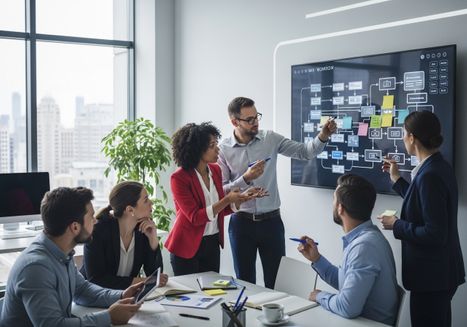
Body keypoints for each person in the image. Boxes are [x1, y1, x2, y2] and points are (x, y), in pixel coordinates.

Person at [218, 96, 337, 288]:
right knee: (244, 282)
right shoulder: (223, 150)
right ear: (234, 122)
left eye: (256, 117)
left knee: (276, 283)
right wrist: (245, 178)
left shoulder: (270, 139)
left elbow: (304, 152)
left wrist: (322, 135)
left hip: (271, 223)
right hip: (241, 224)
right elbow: (221, 191)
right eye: (249, 120)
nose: (255, 122)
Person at [1, 187, 143, 327]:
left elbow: (82, 290)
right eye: (91, 217)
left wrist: (121, 295)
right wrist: (109, 317)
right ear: (75, 227)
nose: (95, 221)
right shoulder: (36, 268)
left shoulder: (61, 252)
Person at [379, 111, 465, 327]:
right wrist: (397, 179)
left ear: (412, 138)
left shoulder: (430, 175)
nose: (402, 138)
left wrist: (396, 225)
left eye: (404, 134)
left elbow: (434, 233)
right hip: (441, 273)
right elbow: (422, 202)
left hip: (431, 277)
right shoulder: (436, 166)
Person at [298, 174, 398, 325]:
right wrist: (316, 259)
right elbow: (348, 285)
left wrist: (319, 296)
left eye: (334, 199)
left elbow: (347, 307)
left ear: (340, 208)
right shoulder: (366, 237)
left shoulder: (364, 247)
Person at [165, 122, 263, 276]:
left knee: (211, 294)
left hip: (212, 244)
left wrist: (239, 200)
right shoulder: (179, 178)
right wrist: (227, 199)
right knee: (190, 297)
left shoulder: (216, 170)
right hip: (186, 246)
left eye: (216, 143)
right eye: (212, 145)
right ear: (197, 149)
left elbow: (217, 212)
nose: (218, 149)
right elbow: (196, 217)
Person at [81, 181, 168, 289]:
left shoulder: (143, 230)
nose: (151, 203)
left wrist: (153, 240)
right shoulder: (98, 231)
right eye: (146, 200)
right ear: (130, 209)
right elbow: (96, 280)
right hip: (94, 301)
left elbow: (156, 276)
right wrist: (143, 281)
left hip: (126, 299)